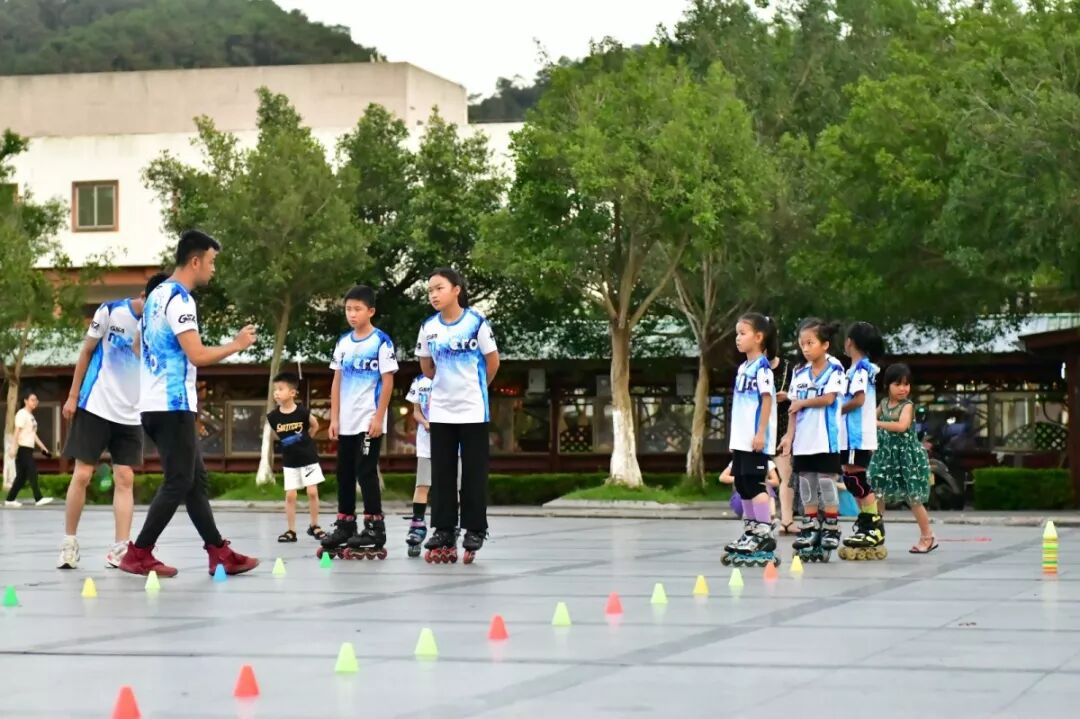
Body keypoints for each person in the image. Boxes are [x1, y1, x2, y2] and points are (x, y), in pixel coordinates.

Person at [119, 229, 259, 578]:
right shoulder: (180, 299)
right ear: (195, 261)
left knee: (194, 482)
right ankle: (138, 553)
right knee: (179, 480)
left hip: (154, 403)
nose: (213, 268)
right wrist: (236, 344)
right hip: (173, 404)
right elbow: (196, 354)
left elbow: (137, 347)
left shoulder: (156, 295)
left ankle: (219, 552)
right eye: (211, 262)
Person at [56, 271, 169, 569]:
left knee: (125, 478)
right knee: (82, 475)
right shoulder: (110, 311)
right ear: (144, 296)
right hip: (96, 404)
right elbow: (86, 352)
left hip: (130, 414)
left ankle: (120, 548)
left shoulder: (159, 328)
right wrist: (72, 396)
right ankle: (69, 543)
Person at [416, 268, 499, 564]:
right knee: (442, 473)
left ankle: (475, 529)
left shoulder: (476, 322)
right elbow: (426, 366)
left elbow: (492, 362)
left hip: (473, 410)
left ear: (456, 290)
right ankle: (443, 529)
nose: (434, 295)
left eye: (439, 288)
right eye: (430, 290)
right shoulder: (428, 327)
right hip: (441, 412)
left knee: (474, 473)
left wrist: (477, 388)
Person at [319, 285, 398, 559]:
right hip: (347, 421)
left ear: (371, 311)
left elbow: (388, 381)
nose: (352, 314)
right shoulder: (343, 342)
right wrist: (334, 418)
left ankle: (374, 528)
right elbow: (336, 381)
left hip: (368, 421)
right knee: (344, 472)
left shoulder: (381, 342)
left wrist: (378, 417)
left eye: (357, 309)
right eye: (348, 309)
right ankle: (345, 524)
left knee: (365, 471)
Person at [780, 318, 846, 556]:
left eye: (810, 343)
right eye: (802, 344)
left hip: (826, 441)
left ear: (825, 345)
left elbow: (828, 399)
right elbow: (793, 410)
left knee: (827, 483)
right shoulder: (799, 373)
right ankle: (809, 526)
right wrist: (789, 437)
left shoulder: (835, 369)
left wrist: (802, 402)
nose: (805, 348)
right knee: (806, 484)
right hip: (803, 442)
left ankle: (831, 526)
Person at [722, 312, 778, 559]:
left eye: (742, 333)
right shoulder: (743, 368)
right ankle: (750, 531)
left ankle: (764, 533)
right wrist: (735, 440)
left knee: (755, 484)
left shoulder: (762, 368)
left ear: (758, 337)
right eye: (737, 333)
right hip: (741, 439)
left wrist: (761, 433)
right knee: (742, 485)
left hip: (756, 439)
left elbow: (766, 401)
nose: (738, 338)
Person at [868, 363, 937, 554]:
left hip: (907, 458)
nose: (903, 389)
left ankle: (928, 536)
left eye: (906, 384)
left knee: (913, 499)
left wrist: (876, 423)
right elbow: (868, 420)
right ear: (887, 385)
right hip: (886, 457)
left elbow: (902, 426)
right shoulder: (883, 404)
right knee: (878, 495)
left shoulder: (907, 406)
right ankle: (875, 534)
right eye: (897, 384)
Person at [839, 321, 887, 557]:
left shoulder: (861, 369)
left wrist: (834, 411)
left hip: (856, 435)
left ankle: (873, 526)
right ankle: (866, 523)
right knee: (851, 480)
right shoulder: (854, 370)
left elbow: (858, 400)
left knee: (856, 480)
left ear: (850, 342)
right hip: (849, 436)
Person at [266, 372, 325, 543]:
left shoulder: (302, 412)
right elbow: (278, 436)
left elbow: (315, 425)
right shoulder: (273, 417)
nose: (276, 393)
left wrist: (306, 441)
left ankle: (315, 525)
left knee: (312, 492)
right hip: (290, 461)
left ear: (292, 392)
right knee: (291, 495)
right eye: (275, 390)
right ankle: (291, 531)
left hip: (308, 458)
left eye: (280, 389)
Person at [4, 392, 53, 507]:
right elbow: (17, 432)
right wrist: (13, 448)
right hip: (22, 449)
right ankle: (38, 498)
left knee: (21, 477)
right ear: (26, 401)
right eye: (33, 400)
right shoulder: (22, 414)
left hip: (28, 449)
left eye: (36, 400)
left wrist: (44, 448)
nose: (35, 402)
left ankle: (10, 500)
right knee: (32, 471)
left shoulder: (31, 416)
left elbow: (33, 435)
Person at [771, 350, 800, 533]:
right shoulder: (751, 368)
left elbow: (799, 396)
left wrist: (787, 396)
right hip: (761, 427)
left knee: (786, 475)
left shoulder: (789, 368)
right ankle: (758, 520)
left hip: (782, 427)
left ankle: (787, 520)